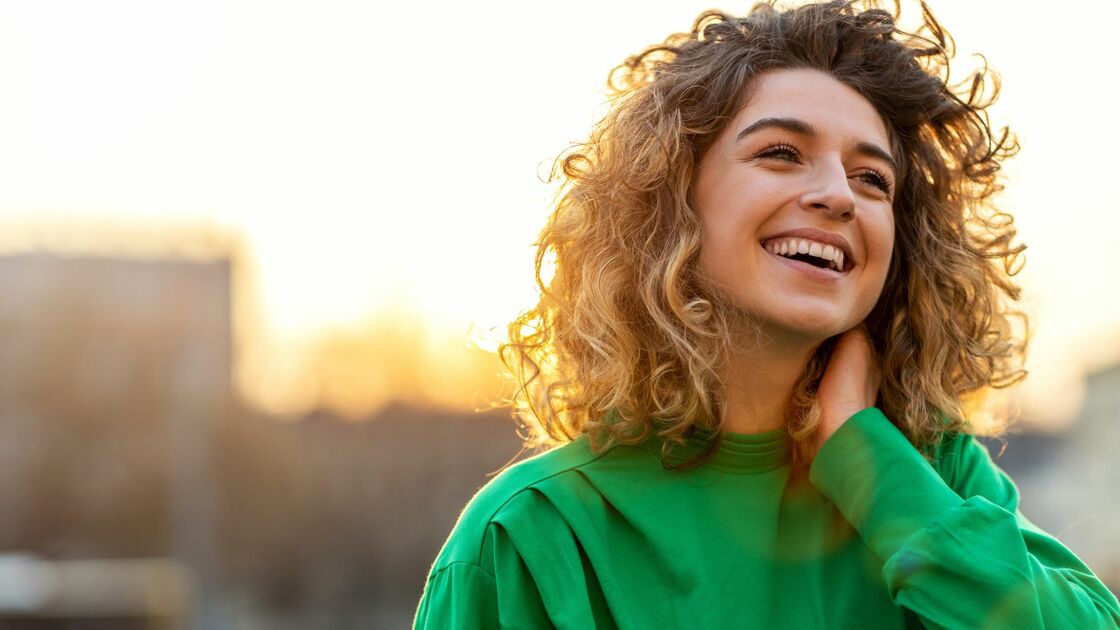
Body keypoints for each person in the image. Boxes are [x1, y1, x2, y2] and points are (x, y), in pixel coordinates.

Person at [414, 1, 1120, 627]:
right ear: (669, 201)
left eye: (872, 178)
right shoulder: (531, 538)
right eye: (782, 153)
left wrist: (868, 467)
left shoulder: (936, 478)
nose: (839, 195)